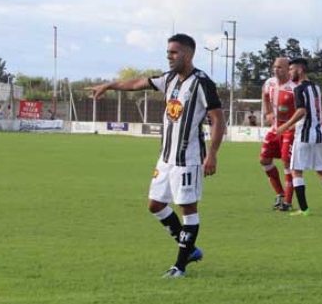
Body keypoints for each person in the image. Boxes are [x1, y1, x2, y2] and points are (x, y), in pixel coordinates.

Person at [87, 33, 226, 277]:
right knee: (155, 204)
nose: (169, 56)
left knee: (188, 210)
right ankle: (190, 250)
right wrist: (109, 85)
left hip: (188, 159)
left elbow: (218, 120)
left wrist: (212, 154)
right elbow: (138, 83)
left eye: (174, 52)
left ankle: (180, 266)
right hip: (165, 157)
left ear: (188, 54)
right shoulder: (169, 79)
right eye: (168, 52)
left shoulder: (203, 83)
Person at [280, 57, 322, 216]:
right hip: (319, 134)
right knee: (321, 170)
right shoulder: (316, 87)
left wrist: (285, 126)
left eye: (291, 69)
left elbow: (302, 111)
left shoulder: (299, 89)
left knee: (296, 171)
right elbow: (313, 112)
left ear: (300, 70)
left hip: (304, 136)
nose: (289, 72)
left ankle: (304, 209)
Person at [259, 57, 297, 212]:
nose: (276, 70)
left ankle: (287, 202)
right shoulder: (270, 83)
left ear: (288, 69)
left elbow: (301, 110)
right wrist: (267, 112)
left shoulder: (295, 87)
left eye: (280, 67)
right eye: (274, 67)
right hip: (275, 129)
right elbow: (265, 95)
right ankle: (280, 194)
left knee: (288, 164)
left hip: (290, 130)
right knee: (264, 160)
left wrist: (291, 125)